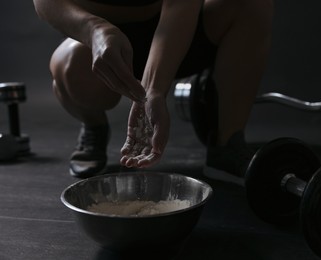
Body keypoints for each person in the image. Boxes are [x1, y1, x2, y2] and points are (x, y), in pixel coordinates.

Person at [32, 0, 273, 186]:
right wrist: (92, 29)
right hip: (102, 34)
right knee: (68, 67)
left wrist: (153, 90)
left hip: (173, 28)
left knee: (250, 4)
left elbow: (180, 4)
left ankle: (227, 144)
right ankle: (94, 125)